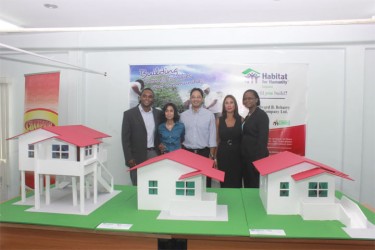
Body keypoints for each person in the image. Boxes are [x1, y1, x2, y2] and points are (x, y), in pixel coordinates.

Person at [122, 88, 162, 186]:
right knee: (138, 184)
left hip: (153, 153)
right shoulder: (129, 114)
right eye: (144, 96)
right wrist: (129, 158)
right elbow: (125, 139)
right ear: (140, 97)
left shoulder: (158, 114)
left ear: (153, 99)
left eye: (150, 96)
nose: (147, 98)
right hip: (136, 157)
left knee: (154, 183)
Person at [180, 88, 217, 187]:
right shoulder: (183, 116)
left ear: (202, 99)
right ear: (190, 98)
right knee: (188, 183)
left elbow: (212, 138)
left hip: (204, 154)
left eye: (198, 97)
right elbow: (180, 136)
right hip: (187, 154)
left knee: (205, 184)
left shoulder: (209, 115)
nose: (196, 99)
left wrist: (212, 156)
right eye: (193, 97)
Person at [241, 89, 269, 188]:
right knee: (248, 185)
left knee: (254, 186)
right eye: (245, 99)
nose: (247, 100)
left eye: (250, 98)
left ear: (256, 100)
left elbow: (263, 140)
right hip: (246, 158)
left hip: (255, 159)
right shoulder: (248, 115)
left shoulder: (261, 115)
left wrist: (259, 162)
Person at [216, 95, 243, 188]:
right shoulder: (219, 120)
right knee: (224, 181)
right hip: (223, 155)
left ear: (235, 105)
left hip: (238, 155)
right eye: (226, 103)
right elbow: (217, 140)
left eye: (231, 102)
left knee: (237, 181)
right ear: (224, 106)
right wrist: (215, 158)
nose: (229, 105)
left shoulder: (242, 120)